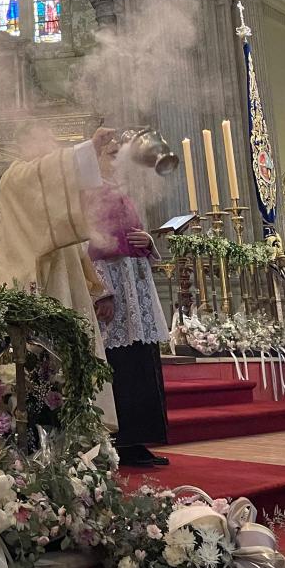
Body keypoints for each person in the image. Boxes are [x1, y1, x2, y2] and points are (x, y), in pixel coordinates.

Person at [0, 127, 120, 431]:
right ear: (25, 144)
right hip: (38, 283)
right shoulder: (14, 178)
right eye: (45, 141)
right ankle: (44, 429)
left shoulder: (47, 188)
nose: (52, 148)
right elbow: (47, 173)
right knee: (44, 364)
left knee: (75, 356)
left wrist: (96, 285)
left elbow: (76, 236)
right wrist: (88, 148)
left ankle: (83, 425)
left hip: (68, 284)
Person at [85, 133, 171, 467]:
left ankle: (139, 439)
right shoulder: (89, 192)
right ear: (96, 157)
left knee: (142, 359)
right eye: (111, 153)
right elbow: (85, 245)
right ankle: (118, 441)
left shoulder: (122, 190)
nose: (118, 159)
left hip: (137, 284)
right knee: (119, 363)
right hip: (113, 283)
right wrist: (101, 291)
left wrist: (148, 241)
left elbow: (134, 235)